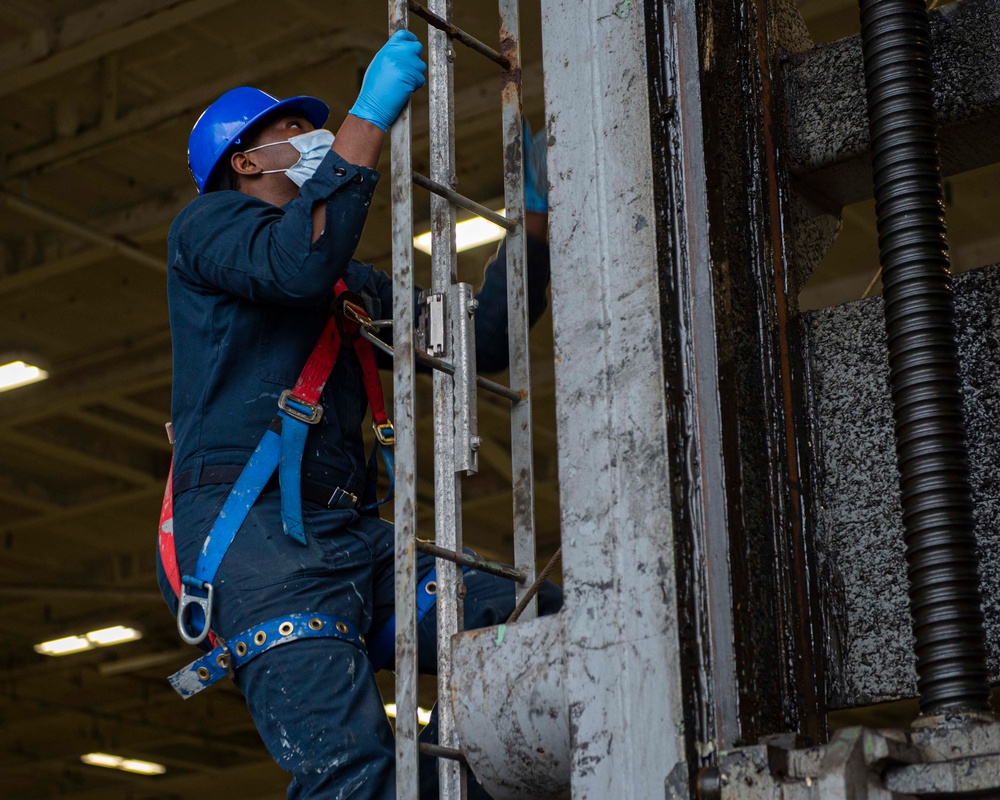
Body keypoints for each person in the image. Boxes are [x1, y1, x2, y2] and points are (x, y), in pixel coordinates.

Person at [155, 30, 561, 800]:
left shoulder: (344, 287)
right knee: (353, 771)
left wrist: (533, 223)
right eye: (290, 132)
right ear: (245, 161)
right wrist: (370, 114)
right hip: (255, 540)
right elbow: (295, 263)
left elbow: (482, 339)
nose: (310, 138)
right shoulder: (204, 231)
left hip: (346, 534)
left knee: (535, 627)